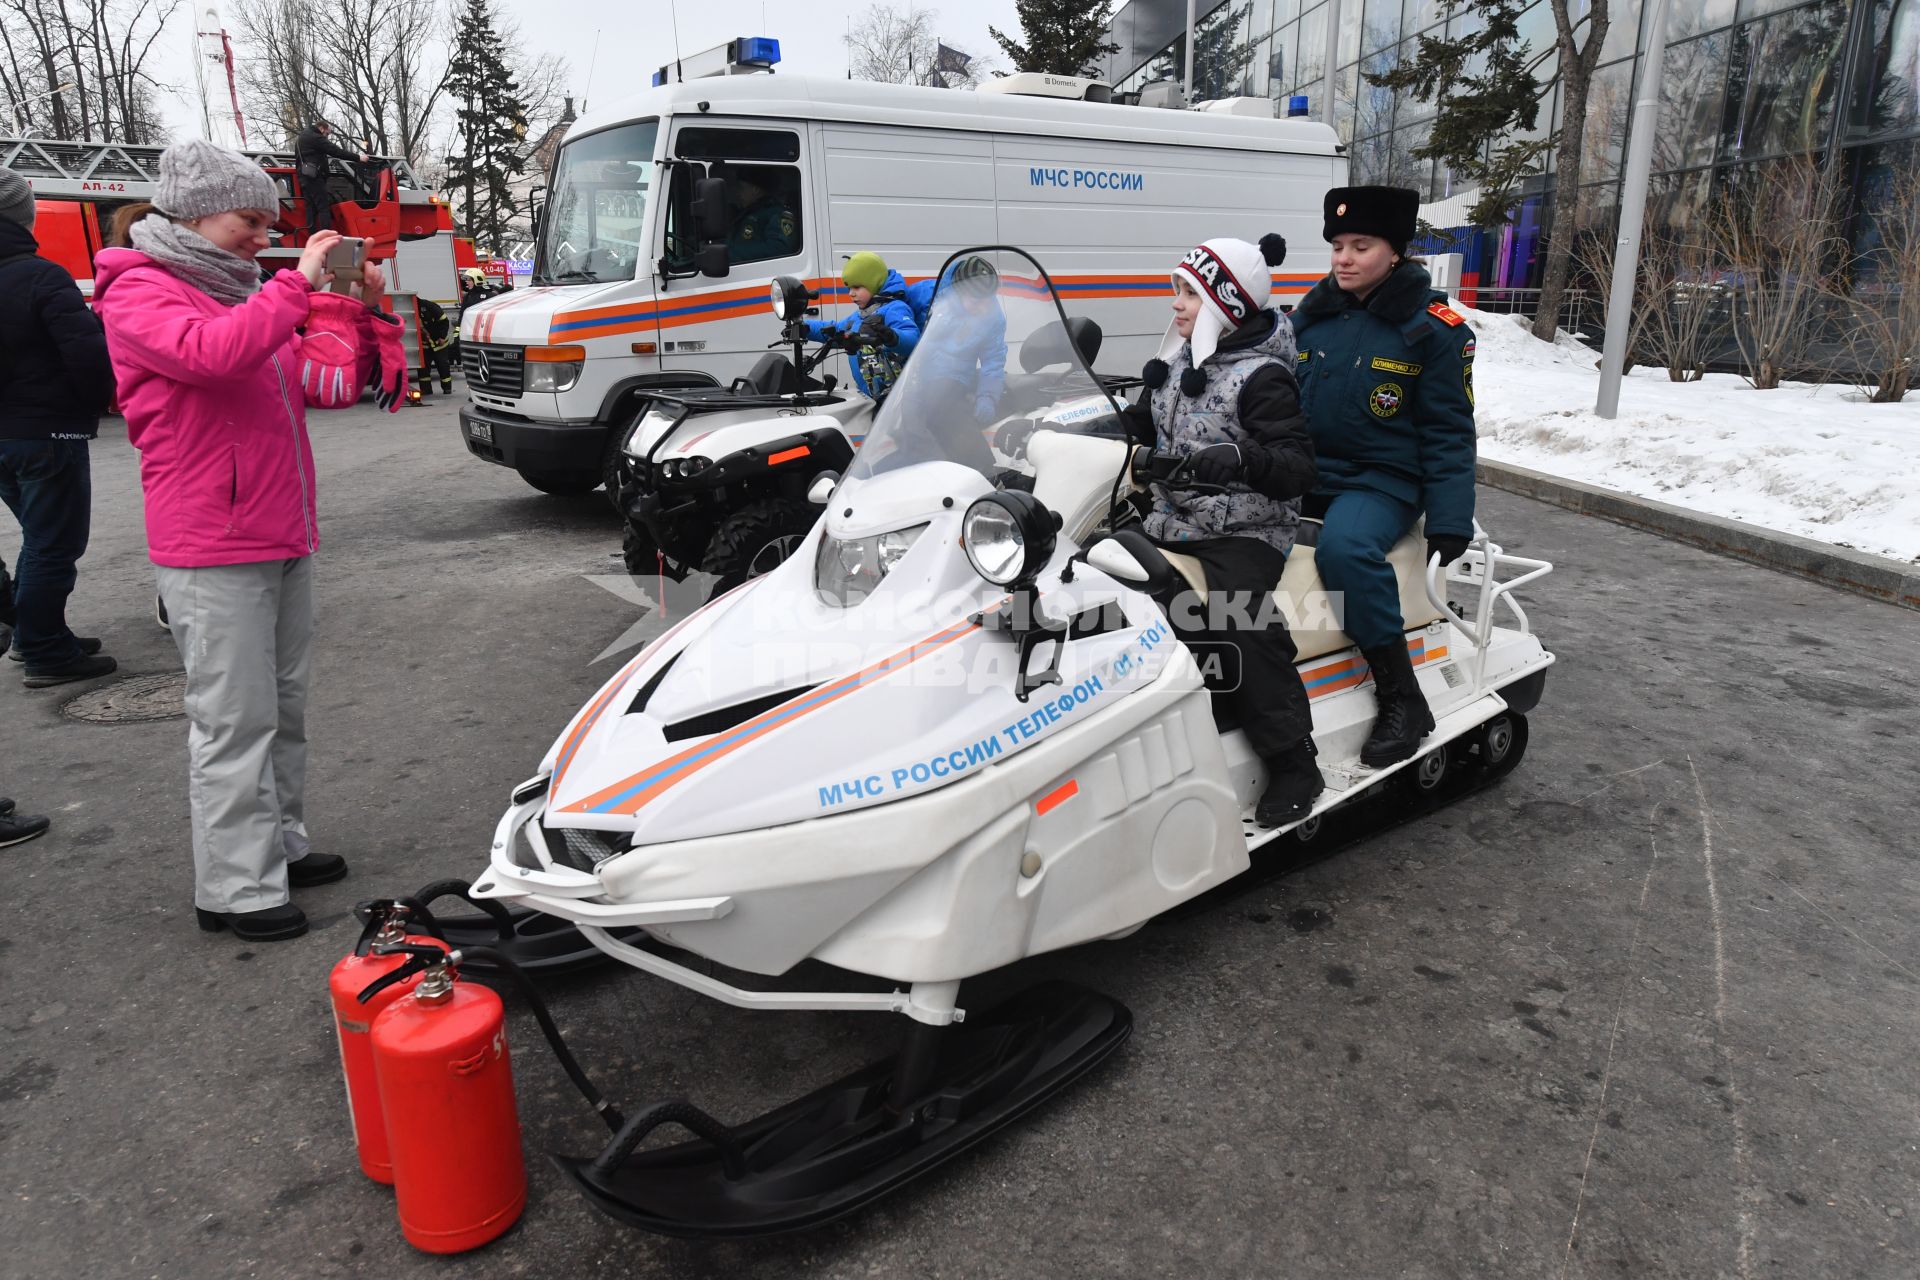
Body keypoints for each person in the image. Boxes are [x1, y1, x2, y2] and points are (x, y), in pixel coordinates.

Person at [93, 138, 407, 943]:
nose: (260, 234)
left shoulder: (248, 294)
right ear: (192, 211)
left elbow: (327, 386)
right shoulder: (142, 292)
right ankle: (233, 887)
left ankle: (278, 846)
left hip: (277, 530)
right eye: (248, 218)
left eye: (268, 220)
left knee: (283, 708)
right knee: (234, 719)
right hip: (210, 541)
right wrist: (296, 289)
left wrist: (360, 308)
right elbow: (213, 358)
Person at [1122, 235, 1323, 827]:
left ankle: (1292, 756)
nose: (1176, 305)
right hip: (1174, 517)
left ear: (1225, 303)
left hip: (1248, 528)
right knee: (1099, 577)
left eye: (1188, 293)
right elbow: (1138, 421)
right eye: (1177, 291)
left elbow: (1297, 466)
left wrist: (1242, 458)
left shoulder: (1263, 377)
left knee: (1239, 618)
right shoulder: (1180, 362)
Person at [1289, 185, 1477, 768]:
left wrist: (1449, 519)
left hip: (1382, 480)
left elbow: (1450, 431)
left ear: (1395, 251)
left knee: (1344, 551)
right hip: (1307, 468)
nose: (1343, 258)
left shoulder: (1434, 328)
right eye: (1338, 245)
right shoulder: (1310, 318)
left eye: (1361, 245)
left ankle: (1401, 696)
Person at [0, 168, 118, 688]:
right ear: (24, 216)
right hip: (44, 431)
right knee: (54, 542)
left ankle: (35, 634)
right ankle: (45, 648)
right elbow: (88, 355)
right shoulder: (40, 276)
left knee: (38, 536)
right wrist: (95, 405)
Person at [795, 251, 919, 401]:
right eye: (849, 288)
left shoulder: (894, 308)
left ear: (874, 283)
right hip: (871, 397)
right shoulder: (858, 317)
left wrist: (893, 337)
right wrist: (805, 327)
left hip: (898, 400)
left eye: (857, 287)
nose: (851, 294)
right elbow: (834, 330)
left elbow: (913, 339)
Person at [293, 119, 368, 235]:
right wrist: (358, 157)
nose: (327, 137)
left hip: (304, 177)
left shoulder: (302, 137)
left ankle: (312, 236)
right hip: (314, 178)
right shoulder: (316, 137)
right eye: (327, 134)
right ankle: (326, 236)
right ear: (322, 128)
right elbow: (336, 151)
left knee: (311, 208)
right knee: (323, 208)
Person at [725, 169, 799, 263]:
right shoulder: (747, 212)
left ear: (755, 190)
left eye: (742, 188)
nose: (738, 193)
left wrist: (731, 254)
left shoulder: (777, 214)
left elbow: (779, 248)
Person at [415, 297, 457, 398]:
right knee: (423, 368)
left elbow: (444, 321)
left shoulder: (430, 306)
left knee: (443, 366)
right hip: (425, 345)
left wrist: (442, 337)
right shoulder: (412, 309)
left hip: (439, 343)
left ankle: (447, 388)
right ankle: (426, 390)